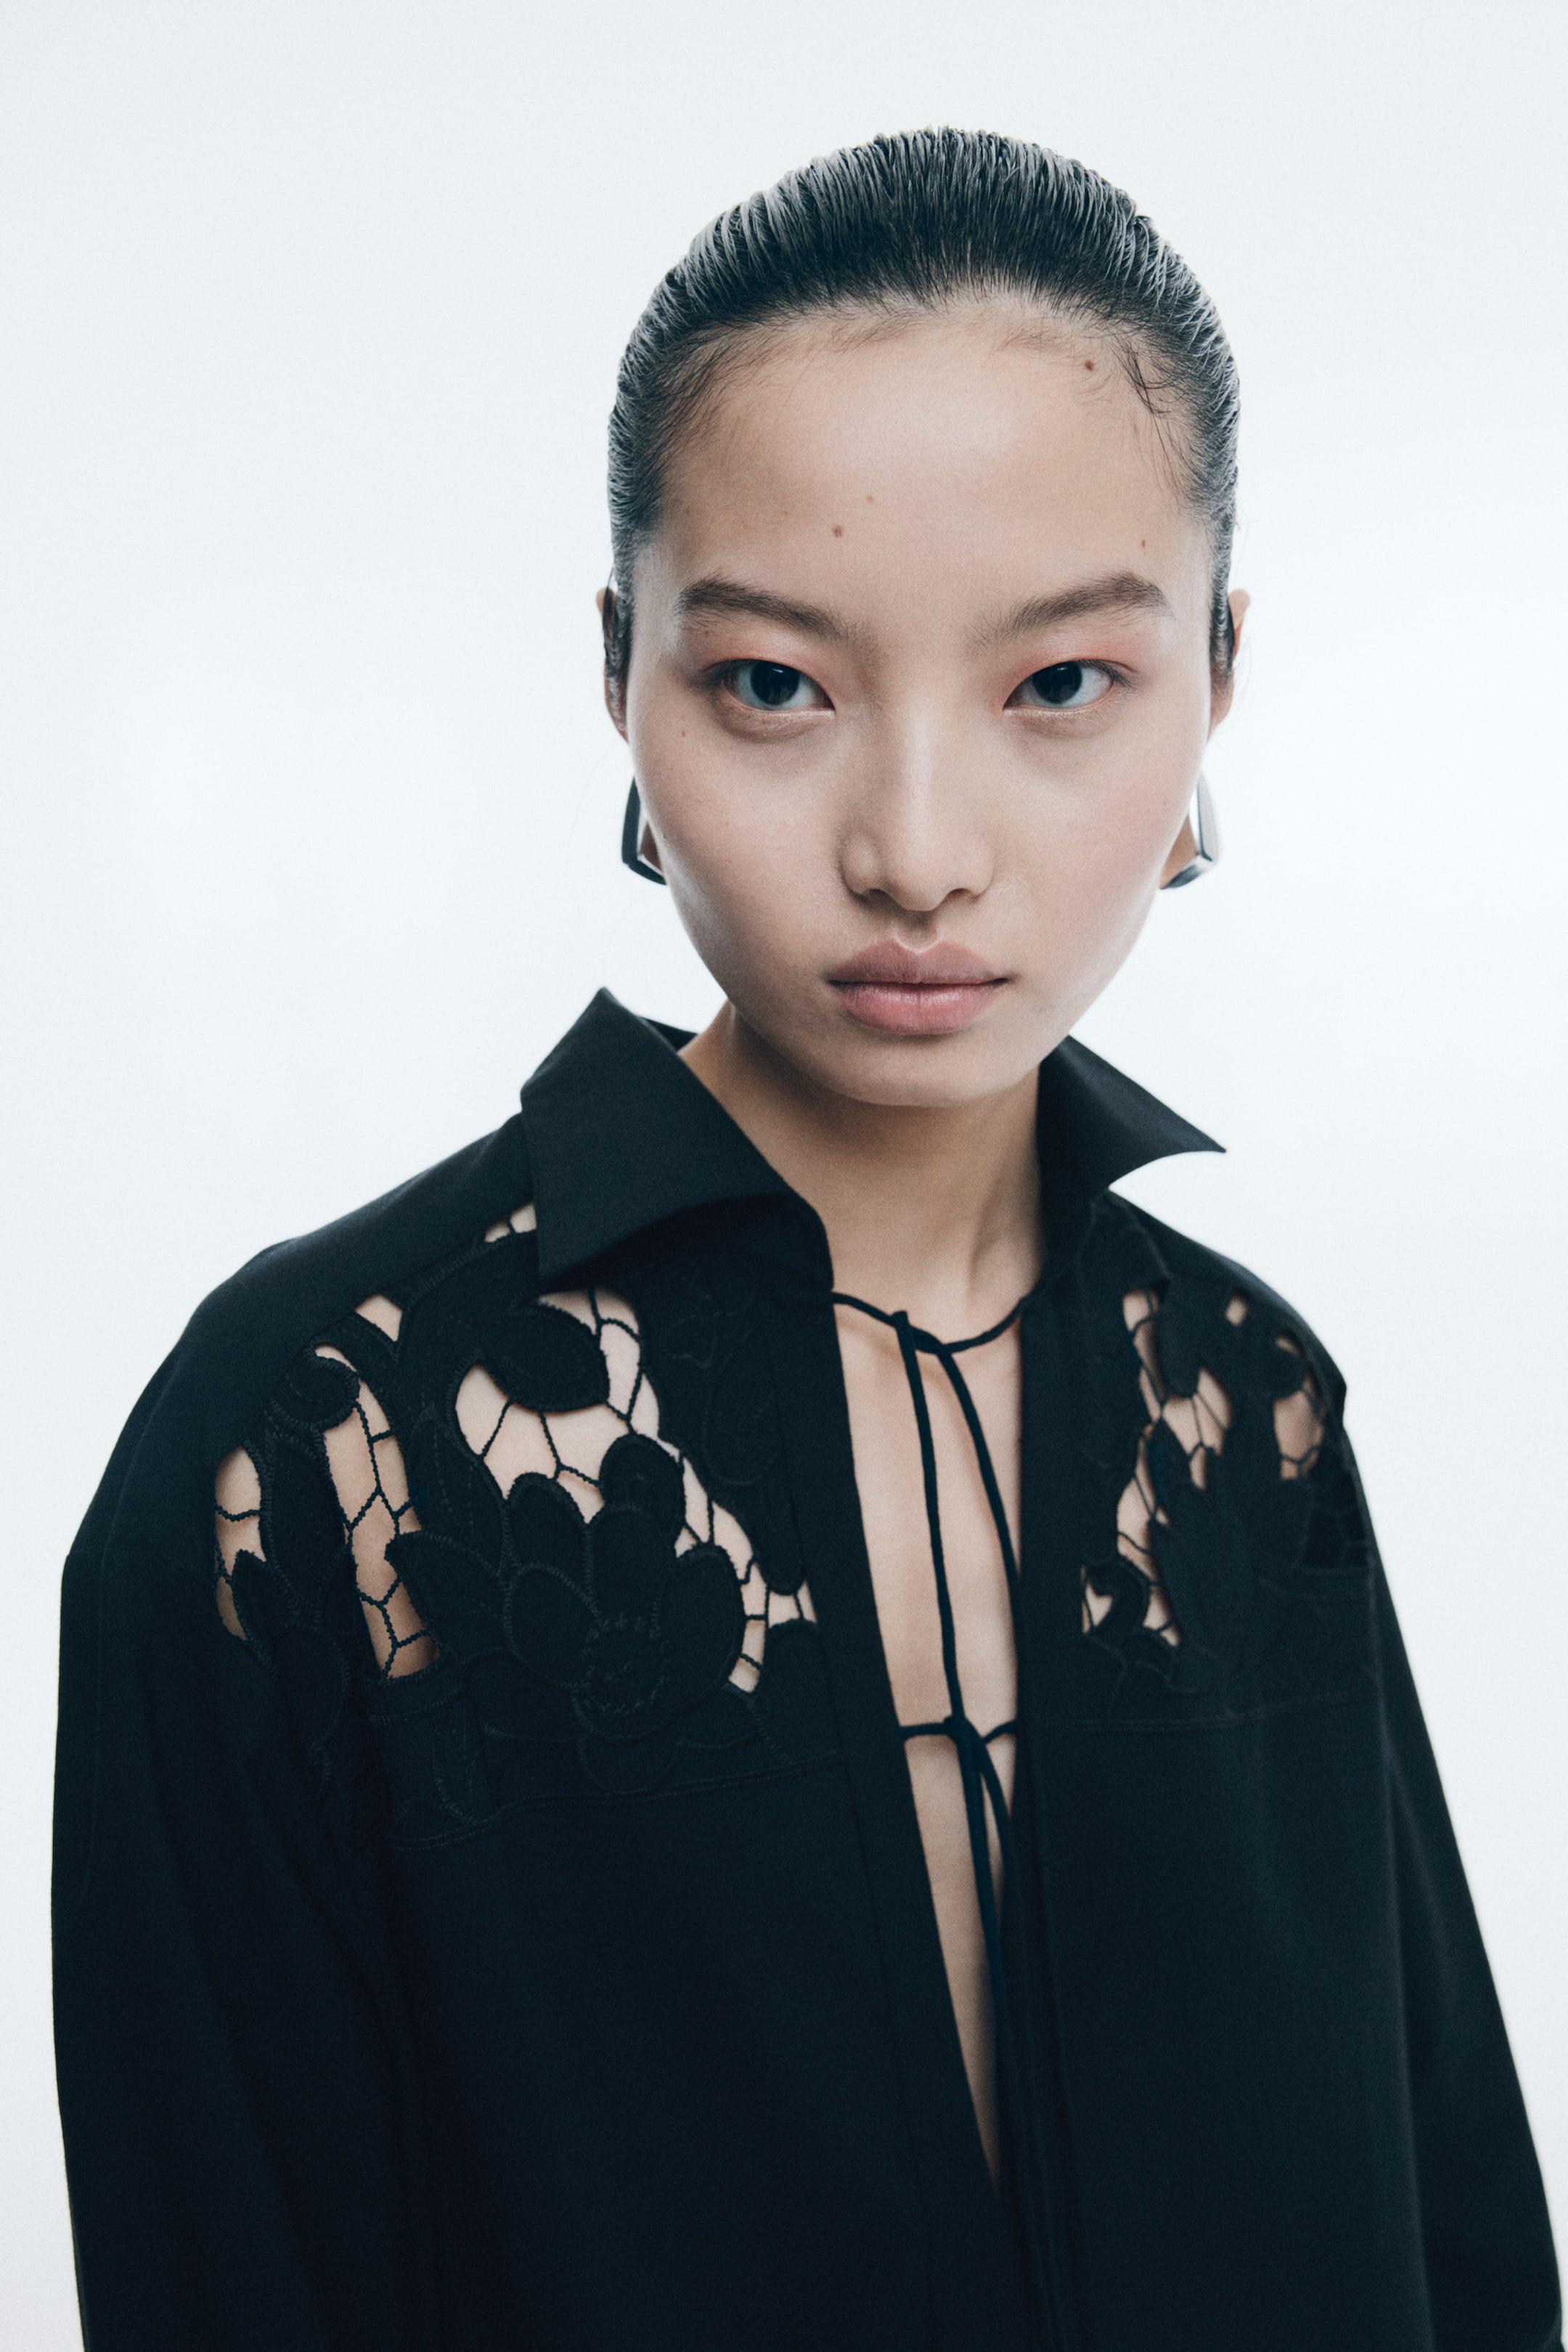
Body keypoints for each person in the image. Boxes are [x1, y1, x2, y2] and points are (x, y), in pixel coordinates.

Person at [53, 129, 1559, 2352]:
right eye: (776, 683)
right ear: (621, 672)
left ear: (1220, 673)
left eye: (1062, 684)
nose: (916, 850)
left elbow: (1456, 2243)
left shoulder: (1245, 1409)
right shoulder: (308, 1452)